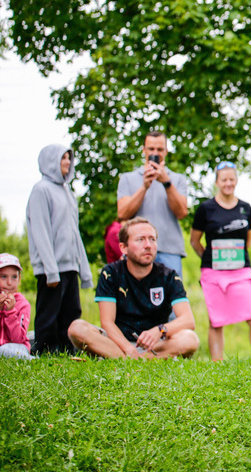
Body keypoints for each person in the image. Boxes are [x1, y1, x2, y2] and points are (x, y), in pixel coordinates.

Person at [68, 217, 199, 359]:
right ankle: (133, 359)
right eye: (140, 240)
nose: (148, 245)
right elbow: (107, 322)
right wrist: (128, 348)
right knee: (77, 328)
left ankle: (134, 359)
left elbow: (188, 320)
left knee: (190, 339)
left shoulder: (169, 276)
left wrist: (160, 330)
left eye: (152, 239)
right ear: (123, 248)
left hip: (155, 345)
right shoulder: (110, 273)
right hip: (118, 342)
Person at [189, 161, 251, 361]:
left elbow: (248, 240)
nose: (228, 183)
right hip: (213, 273)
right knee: (216, 321)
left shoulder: (245, 208)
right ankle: (217, 364)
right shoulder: (206, 208)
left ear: (237, 181)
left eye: (232, 179)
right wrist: (210, 258)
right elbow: (194, 240)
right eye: (224, 180)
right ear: (217, 182)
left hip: (241, 271)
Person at [26, 144, 93, 354]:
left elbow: (74, 233)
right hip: (51, 269)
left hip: (70, 265)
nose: (67, 162)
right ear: (50, 161)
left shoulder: (68, 192)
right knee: (49, 312)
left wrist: (84, 271)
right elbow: (40, 231)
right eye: (63, 158)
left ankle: (67, 350)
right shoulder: (41, 190)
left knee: (71, 312)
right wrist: (51, 269)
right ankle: (45, 351)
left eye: (68, 158)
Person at [117, 131, 189, 275]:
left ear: (166, 151)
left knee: (172, 289)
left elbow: (182, 212)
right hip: (137, 251)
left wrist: (167, 183)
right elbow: (122, 213)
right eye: (151, 149)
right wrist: (144, 187)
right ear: (144, 150)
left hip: (169, 251)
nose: (155, 153)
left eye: (160, 149)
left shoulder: (178, 179)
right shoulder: (127, 179)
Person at [0, 253, 34, 360]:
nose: (9, 283)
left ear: (19, 279)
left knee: (4, 350)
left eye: (14, 277)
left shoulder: (23, 304)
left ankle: (30, 359)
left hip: (17, 346)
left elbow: (18, 339)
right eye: (3, 277)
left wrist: (10, 312)